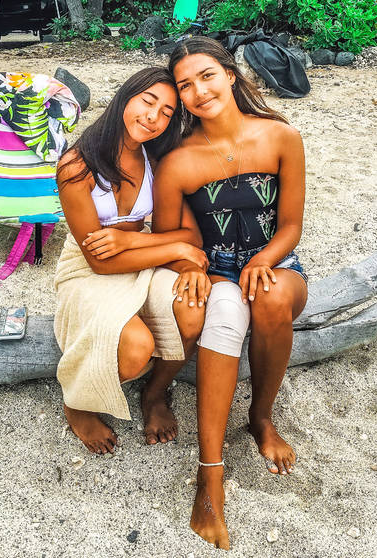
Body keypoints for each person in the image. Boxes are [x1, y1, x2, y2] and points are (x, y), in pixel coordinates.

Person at [151, 37, 309, 549]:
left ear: (230, 74)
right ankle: (210, 474)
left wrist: (263, 261)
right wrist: (188, 265)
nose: (198, 91)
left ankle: (260, 417)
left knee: (269, 297)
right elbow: (168, 236)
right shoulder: (177, 161)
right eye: (185, 85)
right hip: (215, 269)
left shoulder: (281, 136)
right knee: (221, 313)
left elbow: (291, 226)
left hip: (276, 263)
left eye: (207, 76)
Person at [53, 67, 209, 455]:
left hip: (140, 255)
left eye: (167, 112)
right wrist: (177, 251)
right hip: (88, 269)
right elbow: (100, 263)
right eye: (148, 101)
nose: (154, 117)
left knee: (192, 310)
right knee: (137, 346)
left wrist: (135, 239)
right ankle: (78, 404)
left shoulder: (157, 158)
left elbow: (191, 237)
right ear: (126, 97)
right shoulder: (77, 165)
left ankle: (155, 392)